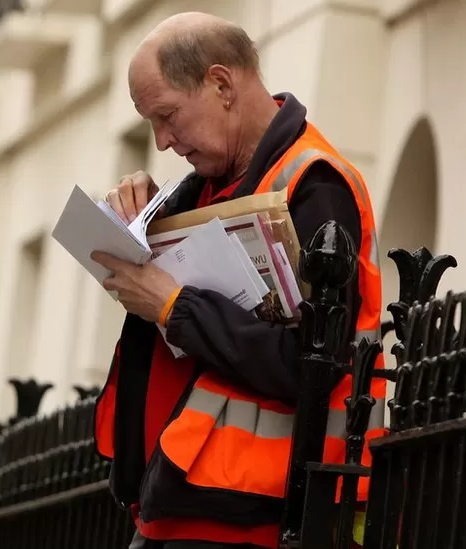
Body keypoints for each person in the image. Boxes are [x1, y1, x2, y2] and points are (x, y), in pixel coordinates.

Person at [89, 11, 386, 549]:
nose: (162, 141)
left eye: (168, 116)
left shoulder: (316, 184)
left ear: (221, 84)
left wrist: (174, 307)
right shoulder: (210, 183)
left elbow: (311, 363)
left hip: (259, 512)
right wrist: (142, 212)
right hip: (186, 500)